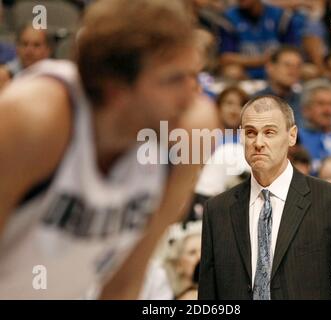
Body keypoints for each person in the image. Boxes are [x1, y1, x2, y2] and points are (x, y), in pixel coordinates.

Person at [0, 0, 218, 299]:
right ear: (115, 87)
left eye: (192, 75)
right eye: (173, 80)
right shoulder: (37, 118)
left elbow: (124, 283)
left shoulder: (189, 129)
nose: (191, 94)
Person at [198, 94, 331, 299]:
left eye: (269, 132)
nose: (258, 142)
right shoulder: (217, 210)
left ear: (292, 136)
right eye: (250, 132)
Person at [255, 46, 303, 126]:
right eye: (287, 65)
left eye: (297, 66)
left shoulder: (304, 101)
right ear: (270, 68)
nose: (293, 71)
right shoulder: (254, 101)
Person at [0, 25, 52, 89]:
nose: (29, 50)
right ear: (17, 47)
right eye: (25, 44)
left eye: (36, 45)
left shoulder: (56, 77)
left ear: (48, 50)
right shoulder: (4, 76)